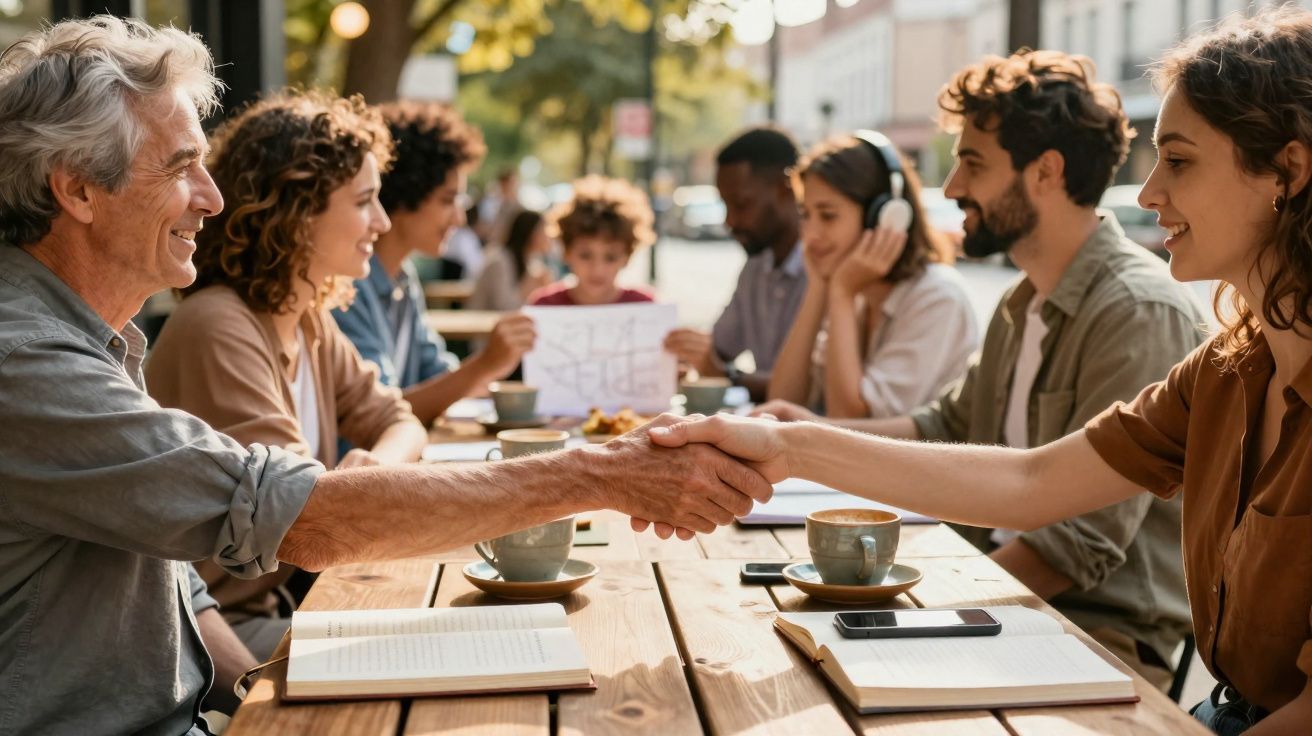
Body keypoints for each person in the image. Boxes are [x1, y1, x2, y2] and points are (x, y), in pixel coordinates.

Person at [0, 18, 771, 735]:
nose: (212, 197)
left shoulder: (98, 340)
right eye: (181, 168)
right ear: (77, 189)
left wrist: (254, 695)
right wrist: (602, 475)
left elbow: (178, 585)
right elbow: (303, 519)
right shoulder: (28, 361)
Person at [653, 10, 1312, 732]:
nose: (1150, 192)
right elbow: (1029, 482)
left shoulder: (1142, 311)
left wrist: (925, 606)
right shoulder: (1222, 371)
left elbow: (1065, 535)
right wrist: (793, 448)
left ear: (1287, 171)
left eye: (1178, 161)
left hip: (1118, 660)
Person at [754, 48, 1206, 690]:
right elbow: (946, 423)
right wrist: (812, 431)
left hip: (1092, 636)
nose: (950, 189)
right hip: (1001, 598)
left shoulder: (1137, 308)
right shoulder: (1024, 300)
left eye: (972, 163)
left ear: (1045, 172)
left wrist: (923, 606)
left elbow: (1075, 547)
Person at [332, 100, 535, 427]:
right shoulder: (346, 287)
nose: (458, 216)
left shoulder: (403, 278)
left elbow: (438, 374)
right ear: (403, 196)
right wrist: (484, 364)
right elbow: (377, 416)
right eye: (447, 200)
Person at [766, 133, 979, 418]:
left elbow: (852, 421)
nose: (810, 235)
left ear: (885, 217)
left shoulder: (938, 296)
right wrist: (818, 287)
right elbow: (781, 401)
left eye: (828, 216)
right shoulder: (858, 291)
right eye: (805, 215)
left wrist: (840, 293)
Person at [664, 126, 808, 401]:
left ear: (786, 189)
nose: (730, 221)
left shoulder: (825, 272)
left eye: (742, 205)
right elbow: (717, 350)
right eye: (725, 205)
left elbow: (809, 388)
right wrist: (688, 356)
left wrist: (724, 375)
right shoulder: (755, 267)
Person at [527, 175, 657, 306]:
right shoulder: (545, 306)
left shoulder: (645, 306)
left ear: (627, 257)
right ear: (566, 252)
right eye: (585, 256)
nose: (597, 269)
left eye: (611, 257)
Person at [467, 208, 554, 311]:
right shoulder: (499, 262)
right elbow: (503, 308)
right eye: (543, 230)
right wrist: (530, 285)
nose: (548, 236)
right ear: (530, 233)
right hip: (481, 323)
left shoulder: (532, 262)